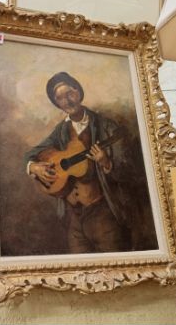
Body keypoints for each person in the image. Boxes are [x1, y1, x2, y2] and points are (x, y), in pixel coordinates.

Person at [24, 72, 131, 254]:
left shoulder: (106, 126)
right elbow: (31, 154)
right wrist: (33, 166)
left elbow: (129, 170)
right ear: (57, 104)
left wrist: (107, 163)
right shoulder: (61, 131)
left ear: (79, 92)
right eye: (60, 98)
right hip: (73, 217)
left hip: (103, 214)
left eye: (70, 94)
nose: (67, 101)